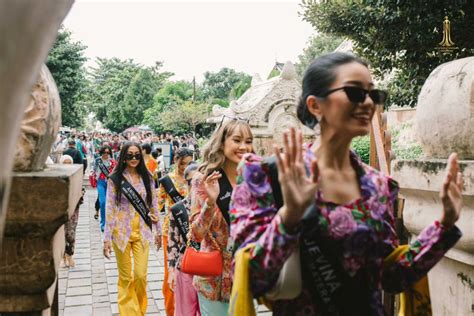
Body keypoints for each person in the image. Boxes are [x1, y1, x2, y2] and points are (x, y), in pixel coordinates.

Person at [229, 52, 463, 315]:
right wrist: (289, 217)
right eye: (354, 92)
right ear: (316, 105)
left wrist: (444, 225)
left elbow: (391, 278)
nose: (367, 103)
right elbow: (252, 280)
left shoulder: (378, 187)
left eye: (374, 95)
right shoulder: (268, 176)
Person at [189, 120, 254, 315]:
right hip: (214, 279)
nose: (243, 147)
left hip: (246, 274)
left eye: (248, 141)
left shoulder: (253, 178)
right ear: (222, 142)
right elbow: (196, 235)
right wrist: (210, 202)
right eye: (237, 140)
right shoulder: (204, 179)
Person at [103, 142, 162, 316]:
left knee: (140, 276)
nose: (134, 158)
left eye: (137, 155)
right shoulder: (115, 179)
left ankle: (139, 310)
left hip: (142, 232)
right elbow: (109, 208)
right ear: (123, 156)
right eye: (129, 155)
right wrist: (106, 238)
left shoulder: (148, 177)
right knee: (126, 278)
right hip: (120, 233)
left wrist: (158, 230)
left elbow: (154, 206)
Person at [157, 147, 194, 316]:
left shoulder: (194, 178)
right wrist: (156, 231)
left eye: (188, 163)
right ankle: (171, 310)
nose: (184, 167)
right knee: (170, 272)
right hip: (171, 231)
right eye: (182, 163)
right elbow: (159, 207)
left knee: (190, 273)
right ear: (175, 161)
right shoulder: (166, 180)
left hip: (192, 230)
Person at [167, 162, 201, 316]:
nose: (195, 185)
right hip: (185, 266)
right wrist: (171, 271)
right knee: (185, 311)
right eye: (191, 182)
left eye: (199, 181)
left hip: (207, 269)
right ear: (186, 183)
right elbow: (172, 241)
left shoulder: (213, 207)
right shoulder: (178, 209)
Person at [60, 154, 85, 268]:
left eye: (69, 163)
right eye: (64, 163)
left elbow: (81, 191)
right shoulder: (58, 176)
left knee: (71, 233)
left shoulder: (76, 176)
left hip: (73, 210)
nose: (67, 165)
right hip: (60, 210)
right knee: (60, 234)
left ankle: (70, 255)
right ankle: (62, 257)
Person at [92, 145, 116, 232]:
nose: (106, 154)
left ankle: (110, 222)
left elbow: (115, 172)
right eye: (104, 152)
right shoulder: (98, 160)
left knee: (110, 204)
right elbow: (94, 170)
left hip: (110, 183)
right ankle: (103, 224)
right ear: (101, 152)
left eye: (108, 152)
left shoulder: (112, 161)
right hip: (101, 182)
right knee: (102, 202)